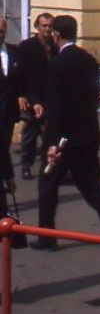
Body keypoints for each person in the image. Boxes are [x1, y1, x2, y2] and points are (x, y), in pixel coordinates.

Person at [33, 15, 100, 257]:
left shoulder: (57, 64)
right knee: (89, 184)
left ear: (56, 34)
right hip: (87, 134)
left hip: (63, 138)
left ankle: (47, 236)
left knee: (47, 184)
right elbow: (94, 98)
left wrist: (52, 143)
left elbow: (56, 108)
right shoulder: (89, 60)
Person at [17, 12, 57, 180]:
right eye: (44, 26)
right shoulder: (27, 46)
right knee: (30, 133)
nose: (47, 29)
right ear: (37, 27)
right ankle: (26, 165)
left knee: (51, 133)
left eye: (50, 26)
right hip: (30, 95)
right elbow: (20, 73)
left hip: (50, 97)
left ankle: (49, 165)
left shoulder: (56, 47)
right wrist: (21, 95)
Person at [0, 17, 21, 218]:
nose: (0, 34)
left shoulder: (14, 52)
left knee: (3, 149)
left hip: (8, 114)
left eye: (2, 30)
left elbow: (20, 80)